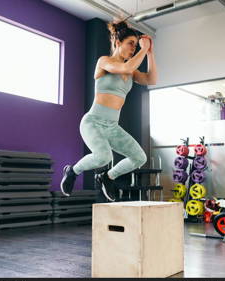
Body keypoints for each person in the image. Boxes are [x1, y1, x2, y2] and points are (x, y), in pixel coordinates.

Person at [60, 20, 157, 201]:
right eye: (131, 44)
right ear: (118, 43)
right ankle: (72, 170)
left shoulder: (131, 73)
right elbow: (126, 66)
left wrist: (149, 53)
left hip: (112, 126)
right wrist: (143, 50)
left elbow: (151, 79)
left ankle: (108, 176)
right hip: (93, 122)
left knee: (139, 157)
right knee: (103, 156)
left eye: (136, 46)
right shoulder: (104, 62)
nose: (134, 48)